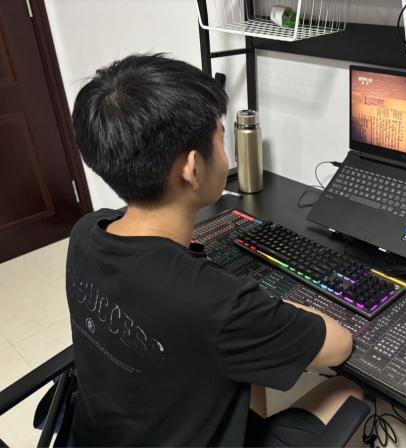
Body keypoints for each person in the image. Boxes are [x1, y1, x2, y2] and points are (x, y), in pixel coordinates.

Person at [66, 53, 362, 446]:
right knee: (347, 390)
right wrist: (271, 308)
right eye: (221, 138)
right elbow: (339, 346)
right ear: (192, 168)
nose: (226, 152)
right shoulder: (215, 304)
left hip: (101, 435)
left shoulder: (86, 232)